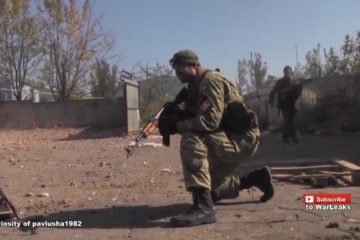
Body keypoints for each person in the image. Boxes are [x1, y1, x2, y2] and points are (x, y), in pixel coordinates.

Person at [158, 49, 274, 227]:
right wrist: (177, 115)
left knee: (191, 139)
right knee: (212, 189)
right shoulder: (195, 86)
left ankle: (204, 209)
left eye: (181, 67)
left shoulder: (210, 81)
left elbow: (210, 121)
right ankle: (256, 179)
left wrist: (176, 126)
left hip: (242, 138)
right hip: (229, 137)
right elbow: (202, 115)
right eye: (175, 68)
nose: (177, 72)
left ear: (194, 66)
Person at [269, 66, 303, 143]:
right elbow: (274, 91)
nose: (288, 72)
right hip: (284, 104)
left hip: (291, 104)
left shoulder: (293, 82)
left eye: (289, 71)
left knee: (291, 121)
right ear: (284, 72)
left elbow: (297, 91)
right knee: (287, 120)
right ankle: (287, 136)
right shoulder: (280, 82)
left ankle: (291, 136)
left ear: (291, 72)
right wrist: (271, 101)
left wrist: (298, 89)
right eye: (286, 71)